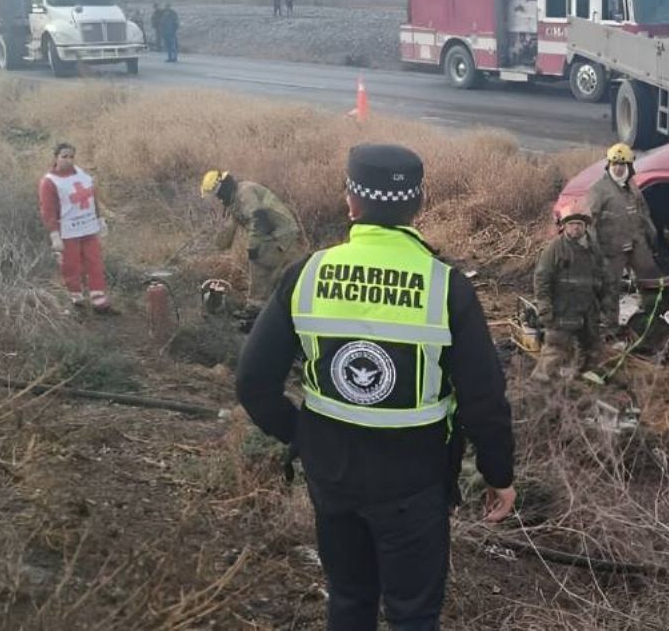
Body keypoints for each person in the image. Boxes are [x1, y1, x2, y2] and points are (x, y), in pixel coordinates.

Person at [235, 143, 516, 631]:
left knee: (348, 599)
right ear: (418, 204)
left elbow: (252, 384)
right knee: (411, 614)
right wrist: (499, 474)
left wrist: (303, 435)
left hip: (332, 475)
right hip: (414, 480)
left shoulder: (307, 274)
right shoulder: (446, 287)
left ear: (351, 201)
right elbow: (483, 400)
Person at [584, 143, 661, 334]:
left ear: (629, 166)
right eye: (615, 164)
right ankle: (610, 329)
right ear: (609, 164)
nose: (618, 168)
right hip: (611, 249)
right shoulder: (598, 190)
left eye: (623, 164)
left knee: (651, 278)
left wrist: (652, 236)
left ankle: (651, 317)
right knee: (610, 289)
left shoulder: (632, 186)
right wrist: (594, 251)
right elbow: (589, 222)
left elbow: (644, 213)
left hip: (637, 243)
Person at [200, 170, 306, 307]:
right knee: (275, 274)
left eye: (216, 196)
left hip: (283, 235)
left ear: (220, 190)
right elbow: (228, 232)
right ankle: (264, 306)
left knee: (261, 264)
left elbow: (259, 217)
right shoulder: (234, 200)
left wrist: (253, 246)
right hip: (274, 236)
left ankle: (257, 308)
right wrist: (215, 243)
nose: (218, 200)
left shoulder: (244, 193)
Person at [531, 202, 606, 383]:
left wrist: (602, 304)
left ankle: (585, 385)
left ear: (585, 226)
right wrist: (545, 309)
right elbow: (542, 280)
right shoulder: (555, 249)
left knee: (592, 349)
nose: (575, 228)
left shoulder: (593, 249)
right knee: (555, 349)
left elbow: (601, 277)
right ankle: (540, 388)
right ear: (564, 225)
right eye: (572, 224)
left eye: (579, 224)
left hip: (588, 310)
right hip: (563, 310)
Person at [38, 143, 114, 313]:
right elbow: (48, 210)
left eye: (71, 156)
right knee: (71, 266)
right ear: (56, 157)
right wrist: (54, 234)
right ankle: (77, 301)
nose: (68, 160)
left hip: (88, 227)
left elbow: (92, 197)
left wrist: (100, 219)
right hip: (68, 231)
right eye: (64, 156)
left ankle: (99, 301)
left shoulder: (81, 174)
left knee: (95, 263)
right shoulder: (49, 182)